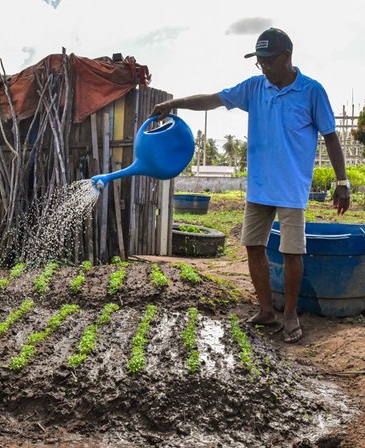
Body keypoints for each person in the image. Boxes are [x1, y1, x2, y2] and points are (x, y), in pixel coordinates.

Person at [150, 27, 350, 343]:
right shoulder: (255, 88)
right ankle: (266, 309)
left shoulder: (312, 91)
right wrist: (174, 103)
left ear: (286, 57)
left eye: (268, 61)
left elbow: (331, 136)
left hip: (291, 189)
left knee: (291, 252)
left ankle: (290, 314)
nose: (264, 68)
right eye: (259, 62)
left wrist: (342, 181)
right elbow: (213, 99)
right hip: (259, 187)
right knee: (253, 245)